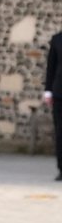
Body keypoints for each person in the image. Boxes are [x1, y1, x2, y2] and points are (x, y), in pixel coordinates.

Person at [44, 30, 62, 181]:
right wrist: (48, 91)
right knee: (60, 133)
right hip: (59, 93)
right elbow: (51, 66)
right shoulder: (57, 39)